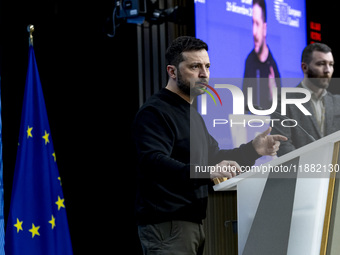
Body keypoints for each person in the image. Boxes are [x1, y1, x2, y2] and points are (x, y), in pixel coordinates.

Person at [132, 36, 287, 255]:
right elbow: (154, 162)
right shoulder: (155, 112)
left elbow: (214, 157)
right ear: (172, 71)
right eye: (195, 66)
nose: (204, 74)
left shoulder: (192, 114)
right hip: (167, 225)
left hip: (190, 224)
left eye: (207, 66)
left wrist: (254, 149)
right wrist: (208, 170)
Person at [271, 42, 340, 156]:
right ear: (304, 67)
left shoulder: (337, 102)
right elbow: (283, 146)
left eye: (331, 64)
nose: (327, 70)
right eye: (321, 64)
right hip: (303, 171)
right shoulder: (283, 101)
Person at [243, 0, 281, 109]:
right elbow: (244, 106)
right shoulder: (249, 61)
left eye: (257, 24)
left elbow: (283, 112)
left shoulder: (273, 67)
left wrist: (273, 98)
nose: (254, 32)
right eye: (252, 23)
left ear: (264, 28)